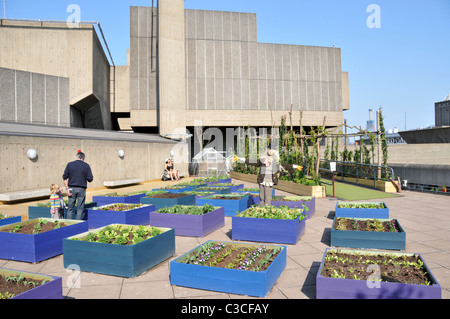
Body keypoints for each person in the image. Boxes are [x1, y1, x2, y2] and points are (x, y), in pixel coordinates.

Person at [234, 149, 302, 206]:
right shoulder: (262, 162)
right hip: (262, 181)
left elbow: (286, 166)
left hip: (270, 182)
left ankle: (267, 208)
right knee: (262, 196)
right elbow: (251, 161)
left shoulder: (275, 164)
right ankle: (262, 208)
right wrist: (239, 158)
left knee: (268, 197)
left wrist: (296, 166)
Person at [63, 150, 93, 220]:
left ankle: (69, 225)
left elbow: (64, 177)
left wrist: (67, 189)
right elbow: (90, 179)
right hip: (81, 189)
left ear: (76, 157)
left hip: (71, 188)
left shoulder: (70, 164)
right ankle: (78, 225)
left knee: (70, 208)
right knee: (80, 209)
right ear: (83, 158)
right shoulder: (86, 166)